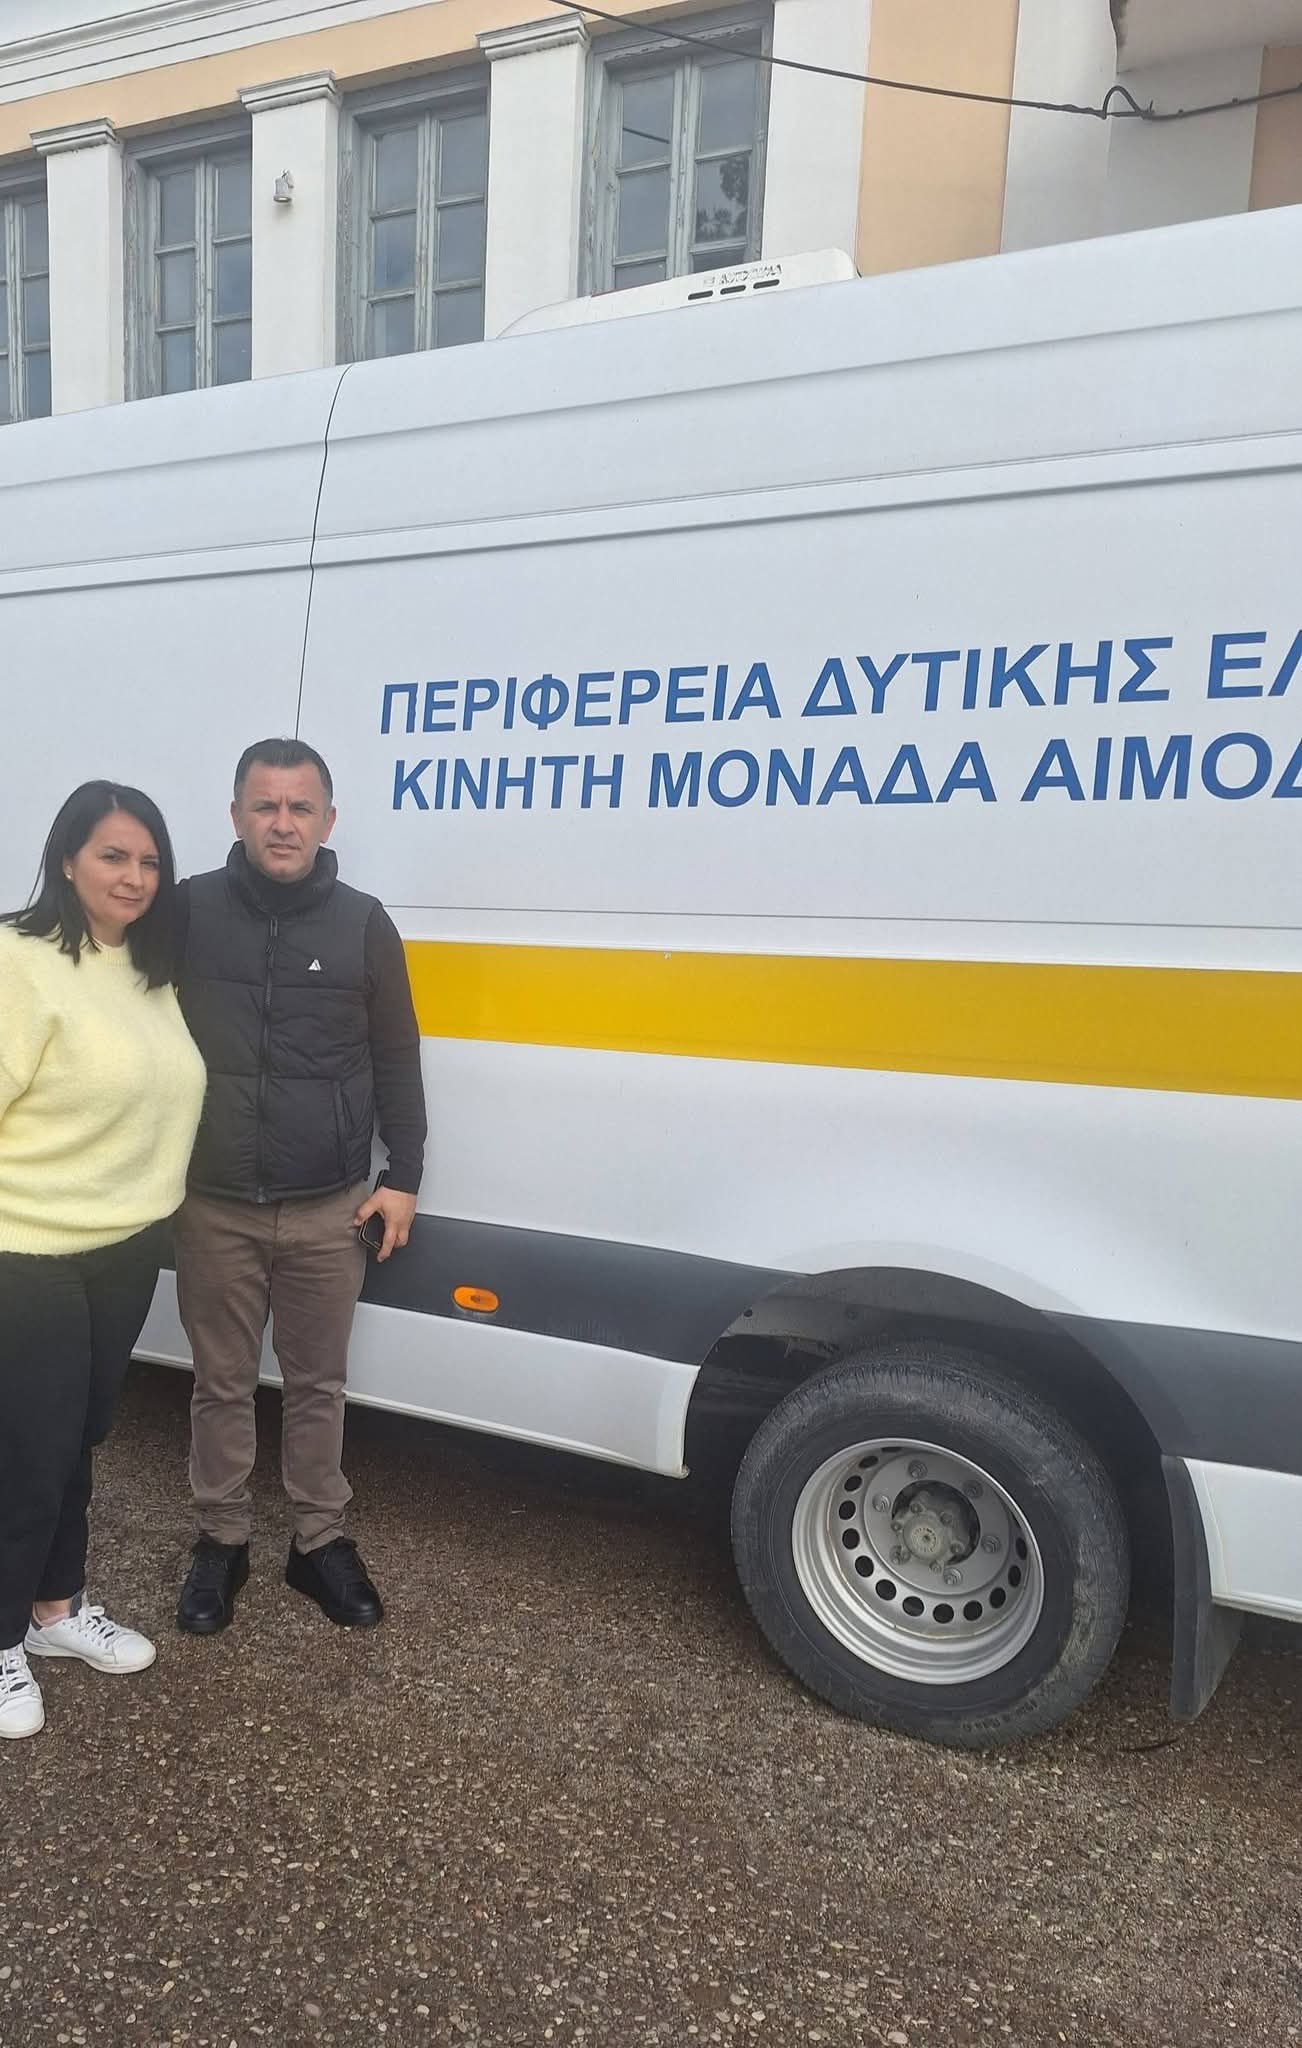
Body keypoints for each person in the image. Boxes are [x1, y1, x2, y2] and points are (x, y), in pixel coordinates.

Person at [173, 737, 426, 1636]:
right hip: (214, 1205)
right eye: (265, 805)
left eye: (299, 807)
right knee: (221, 1382)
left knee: (318, 1384)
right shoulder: (187, 911)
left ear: (327, 819)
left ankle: (318, 1541)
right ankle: (222, 1540)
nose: (282, 823)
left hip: (328, 1207)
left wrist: (404, 1176)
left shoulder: (363, 923)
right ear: (237, 815)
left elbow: (396, 1055)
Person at [0, 783, 206, 1741]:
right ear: (67, 860)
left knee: (78, 1436)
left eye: (150, 861)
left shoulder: (149, 968)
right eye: (114, 856)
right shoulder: (18, 960)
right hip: (26, 1247)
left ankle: (55, 1611)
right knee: (28, 1451)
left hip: (122, 1246)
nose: (135, 877)